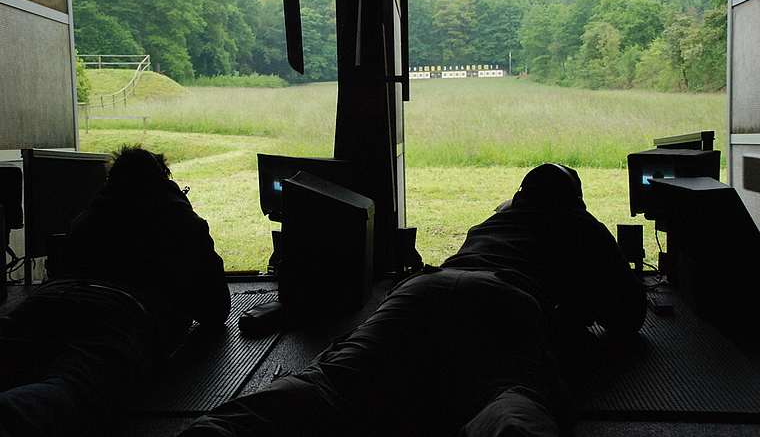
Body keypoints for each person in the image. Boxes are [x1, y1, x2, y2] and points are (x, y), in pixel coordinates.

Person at [177, 163, 646, 437]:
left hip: (424, 289)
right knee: (512, 395)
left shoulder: (492, 223)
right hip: (506, 299)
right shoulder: (585, 227)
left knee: (331, 384)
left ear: (519, 195)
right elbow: (629, 318)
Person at [0, 146, 231, 437]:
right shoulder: (183, 221)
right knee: (72, 392)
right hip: (119, 317)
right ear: (165, 178)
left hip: (43, 304)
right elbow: (215, 310)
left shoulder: (86, 218)